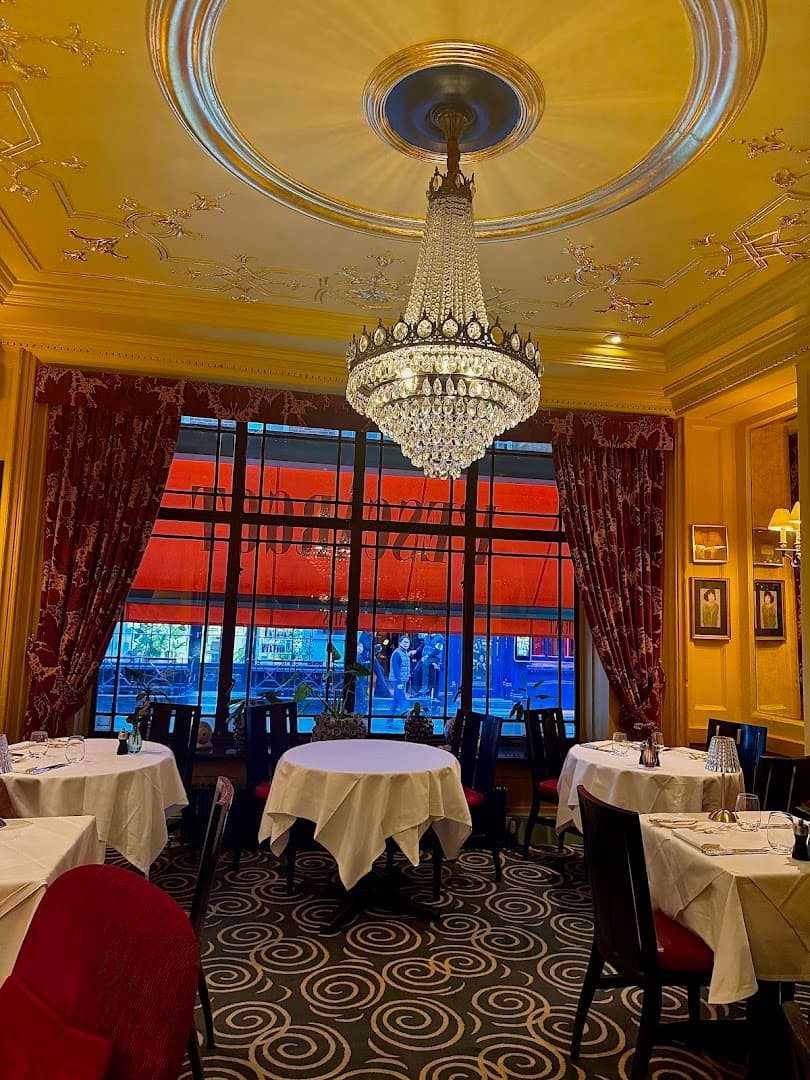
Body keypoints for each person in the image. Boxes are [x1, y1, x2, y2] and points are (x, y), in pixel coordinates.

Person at [389, 634, 412, 715]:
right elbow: (396, 669)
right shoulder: (397, 653)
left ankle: (389, 721)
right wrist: (399, 682)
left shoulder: (405, 653)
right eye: (404, 642)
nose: (406, 644)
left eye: (407, 642)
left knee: (395, 701)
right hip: (397, 680)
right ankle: (407, 717)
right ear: (400, 643)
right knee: (402, 699)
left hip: (402, 679)